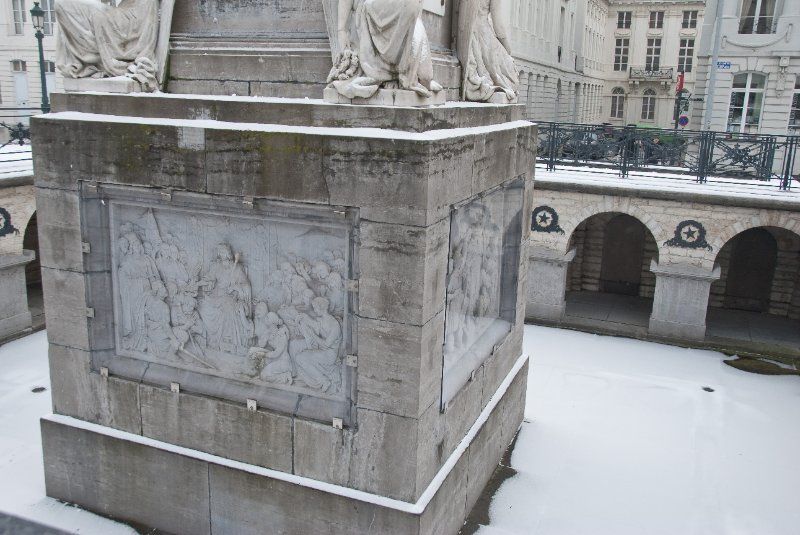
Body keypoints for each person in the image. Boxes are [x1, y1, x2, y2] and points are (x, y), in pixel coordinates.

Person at [328, 0, 442, 99]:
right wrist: (341, 30)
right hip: (371, 9)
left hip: (400, 8)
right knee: (410, 3)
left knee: (426, 76)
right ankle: (390, 73)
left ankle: (408, 73)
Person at [55, 0, 158, 83]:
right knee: (63, 3)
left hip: (130, 22)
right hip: (123, 15)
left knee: (64, 3)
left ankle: (91, 58)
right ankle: (89, 58)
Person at [457, 0, 519, 101]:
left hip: (466, 31)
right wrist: (507, 49)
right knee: (511, 74)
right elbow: (498, 26)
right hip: (483, 33)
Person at [198, 244, 254, 354]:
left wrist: (235, 287)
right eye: (221, 258)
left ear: (229, 257)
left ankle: (226, 341)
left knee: (228, 307)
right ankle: (211, 340)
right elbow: (209, 277)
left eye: (225, 258)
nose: (224, 262)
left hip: (229, 297)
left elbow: (246, 286)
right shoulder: (216, 266)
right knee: (202, 306)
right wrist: (203, 283)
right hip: (215, 295)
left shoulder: (237, 268)